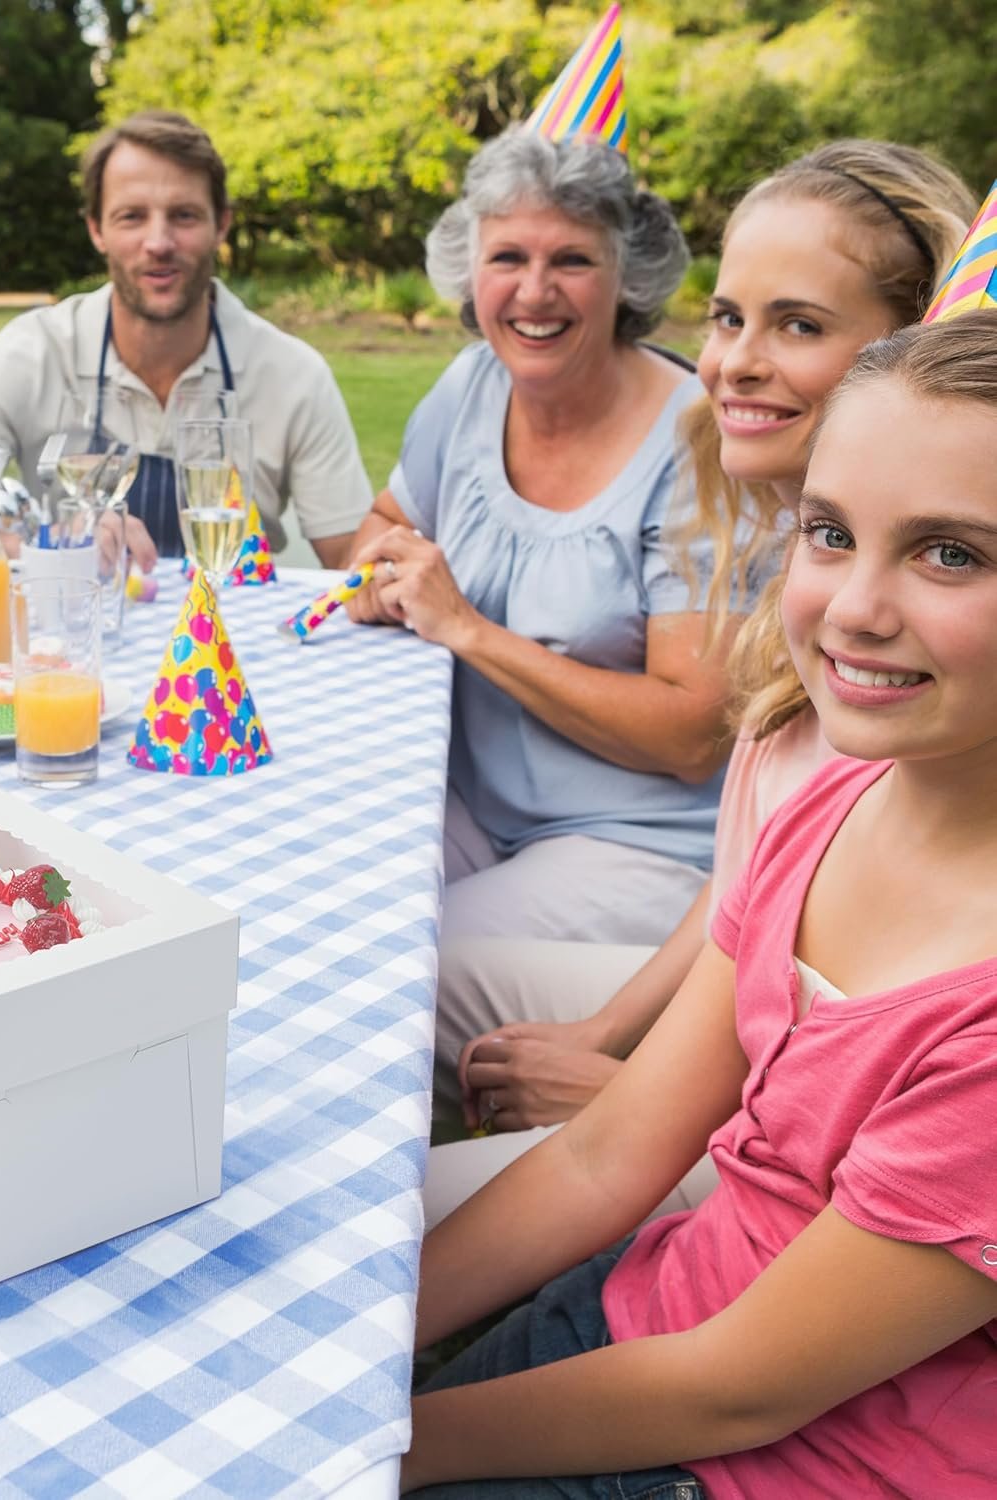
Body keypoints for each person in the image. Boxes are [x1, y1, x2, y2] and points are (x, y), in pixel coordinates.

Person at [403, 311, 997, 1499]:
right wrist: (363, 1342)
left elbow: (745, 1386)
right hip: (648, 1305)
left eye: (951, 554)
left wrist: (383, 1448)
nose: (853, 608)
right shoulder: (835, 809)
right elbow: (605, 1158)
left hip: (774, 1460)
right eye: (831, 534)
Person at [426, 141, 976, 1222]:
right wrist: (606, 1041)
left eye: (800, 324)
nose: (732, 363)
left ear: (910, 350)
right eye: (728, 319)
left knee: (385, 1223)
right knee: (404, 972)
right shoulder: (779, 561)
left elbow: (895, 1078)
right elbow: (748, 898)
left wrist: (625, 1090)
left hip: (806, 1155)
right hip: (741, 1042)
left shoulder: (900, 655)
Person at [347, 126, 728, 950]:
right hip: (472, 807)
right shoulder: (471, 383)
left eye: (573, 261)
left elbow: (692, 735)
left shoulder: (697, 441)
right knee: (325, 895)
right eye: (508, 258)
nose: (535, 291)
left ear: (627, 275)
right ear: (469, 270)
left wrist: (467, 630)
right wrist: (380, 575)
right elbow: (384, 522)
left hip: (639, 844)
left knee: (403, 964)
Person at [0, 110, 372, 565]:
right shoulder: (36, 350)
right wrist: (48, 548)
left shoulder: (294, 375)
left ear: (221, 223)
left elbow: (351, 557)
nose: (158, 243)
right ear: (96, 229)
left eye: (183, 215)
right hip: (68, 649)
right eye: (131, 217)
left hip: (230, 650)